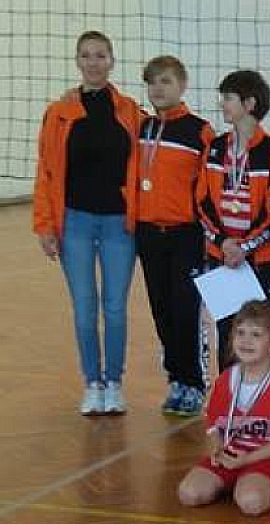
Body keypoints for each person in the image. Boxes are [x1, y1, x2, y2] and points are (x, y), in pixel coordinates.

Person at [33, 30, 142, 415]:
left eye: (100, 55)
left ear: (111, 61)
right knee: (84, 308)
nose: (93, 62)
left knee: (114, 308)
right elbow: (46, 172)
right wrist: (45, 225)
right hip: (75, 223)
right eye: (86, 55)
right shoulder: (59, 112)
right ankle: (92, 383)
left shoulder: (130, 111)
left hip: (118, 224)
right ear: (78, 61)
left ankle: (114, 383)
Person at [135, 55, 216, 416]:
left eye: (166, 81)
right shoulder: (141, 128)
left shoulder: (200, 131)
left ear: (182, 85)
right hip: (149, 234)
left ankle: (195, 382)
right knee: (162, 310)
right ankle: (176, 380)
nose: (158, 88)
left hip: (186, 235)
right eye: (152, 82)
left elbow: (211, 186)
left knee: (186, 310)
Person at [177, 300, 270, 516]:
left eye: (256, 335)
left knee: (251, 502)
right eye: (240, 333)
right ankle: (236, 482)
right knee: (188, 494)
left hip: (266, 458)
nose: (246, 341)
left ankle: (265, 488)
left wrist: (246, 461)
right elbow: (214, 425)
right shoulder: (225, 380)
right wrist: (220, 450)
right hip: (230, 454)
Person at [196, 70, 270, 373]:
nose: (222, 104)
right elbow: (201, 202)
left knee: (264, 332)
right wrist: (223, 243)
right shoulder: (216, 148)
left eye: (228, 98)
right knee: (228, 333)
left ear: (249, 103)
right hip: (222, 257)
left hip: (261, 259)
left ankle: (265, 394)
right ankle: (229, 393)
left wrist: (244, 247)